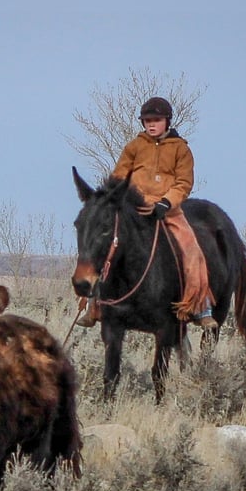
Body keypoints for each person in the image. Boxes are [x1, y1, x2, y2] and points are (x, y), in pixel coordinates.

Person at [77, 96, 217, 329]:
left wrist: (166, 202)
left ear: (167, 121)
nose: (151, 125)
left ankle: (202, 306)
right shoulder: (135, 146)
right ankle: (94, 305)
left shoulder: (181, 149)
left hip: (167, 210)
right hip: (134, 208)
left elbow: (183, 182)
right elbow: (119, 176)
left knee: (192, 249)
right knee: (106, 246)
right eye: (147, 120)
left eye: (157, 120)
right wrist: (115, 200)